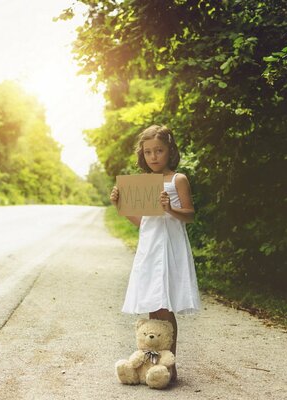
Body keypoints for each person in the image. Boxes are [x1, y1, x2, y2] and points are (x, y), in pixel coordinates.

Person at [110, 124, 201, 382]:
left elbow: (190, 215)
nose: (153, 157)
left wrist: (170, 208)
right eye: (148, 152)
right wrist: (119, 205)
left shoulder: (177, 179)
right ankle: (152, 366)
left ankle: (170, 367)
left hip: (170, 247)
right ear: (143, 154)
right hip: (149, 248)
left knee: (166, 304)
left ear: (169, 151)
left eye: (159, 151)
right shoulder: (142, 183)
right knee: (152, 304)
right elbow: (142, 223)